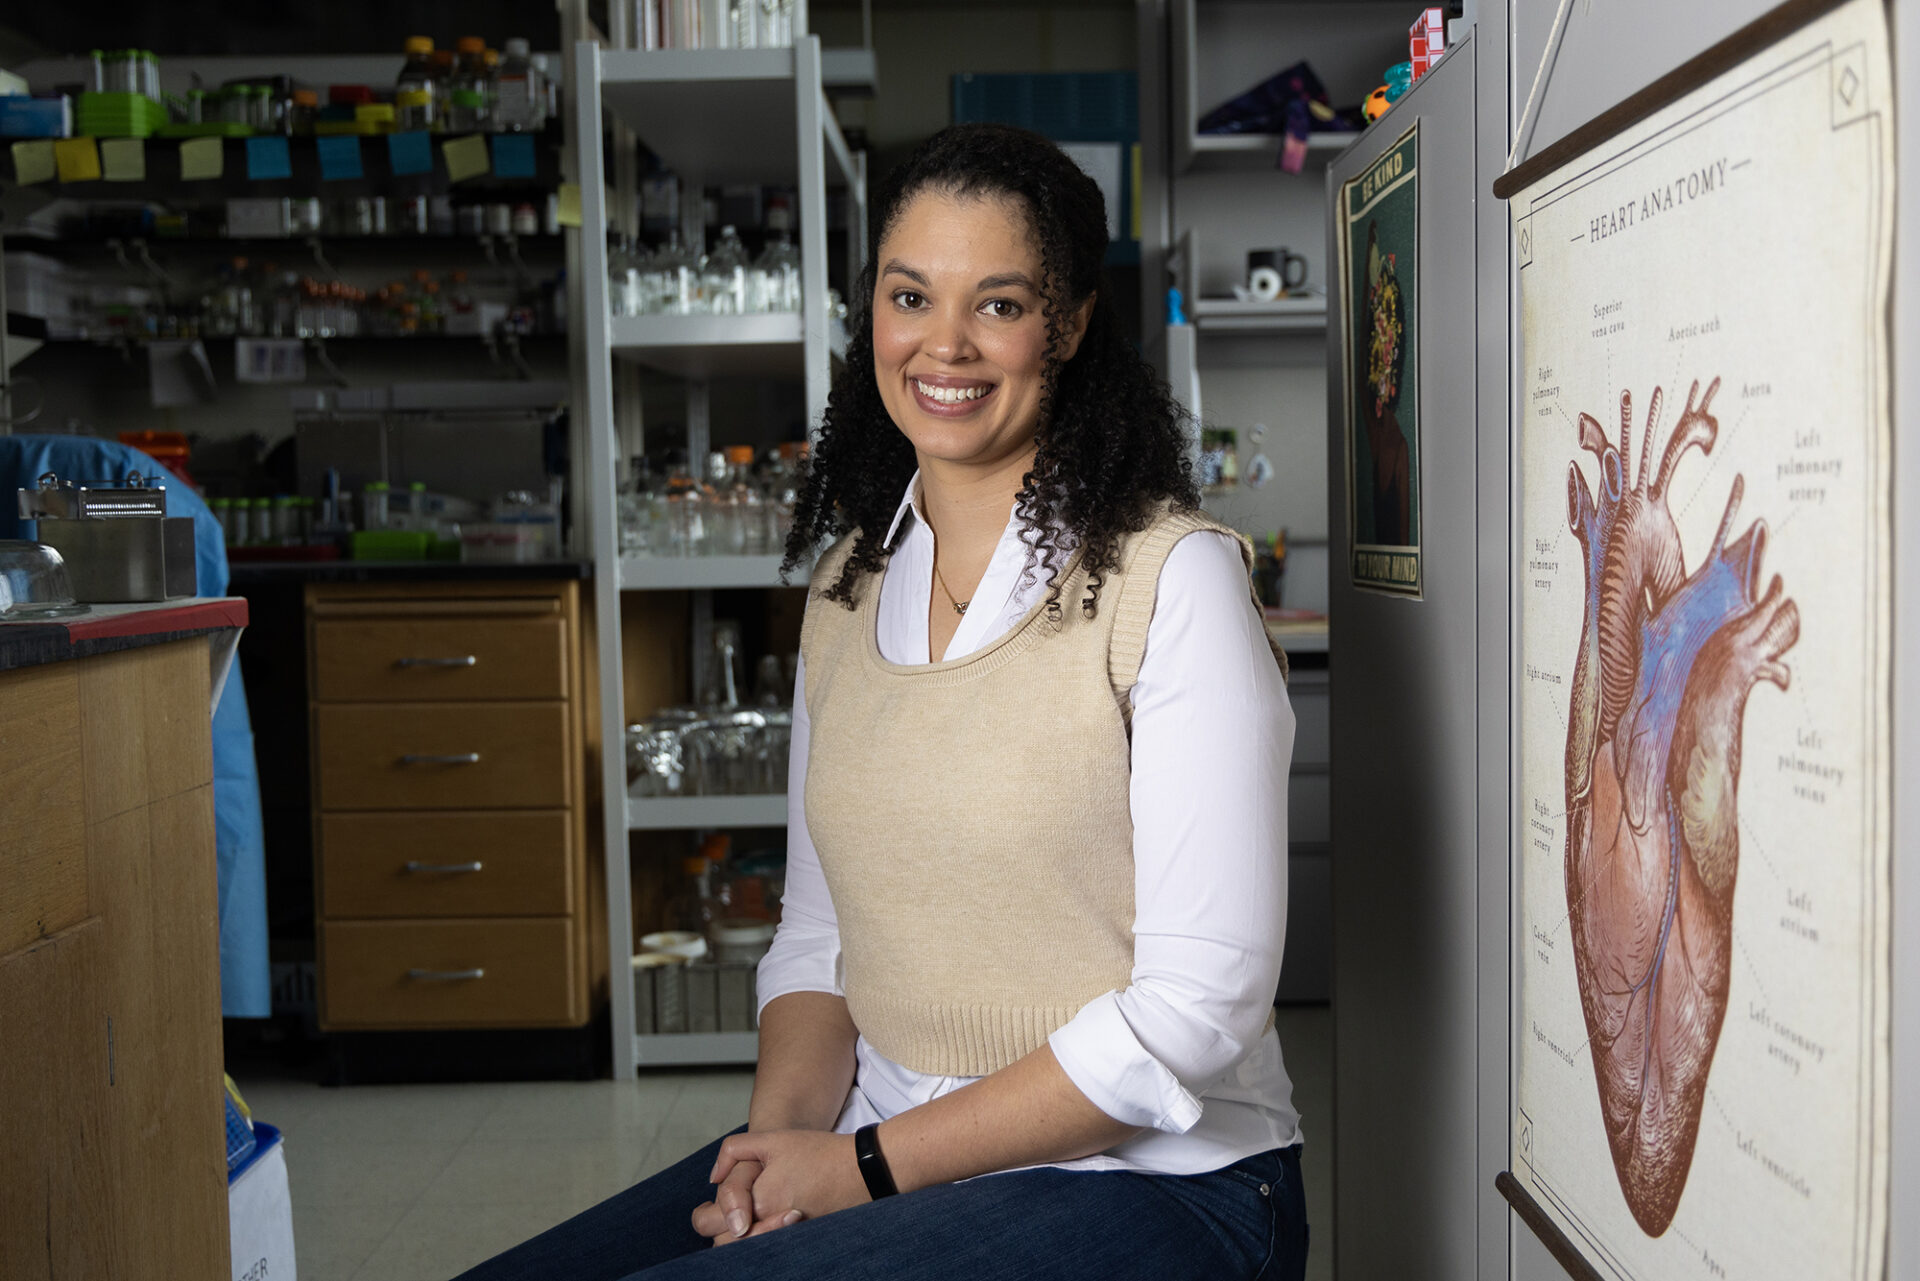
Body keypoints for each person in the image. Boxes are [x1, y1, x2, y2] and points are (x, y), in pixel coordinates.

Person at [456, 122, 1305, 1281]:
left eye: (998, 304)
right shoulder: (847, 591)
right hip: (879, 1137)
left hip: (1157, 1181)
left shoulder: (1172, 580)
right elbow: (818, 939)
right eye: (911, 297)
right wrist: (778, 1152)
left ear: (1067, 326)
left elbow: (1197, 1011)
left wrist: (857, 1171)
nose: (944, 344)